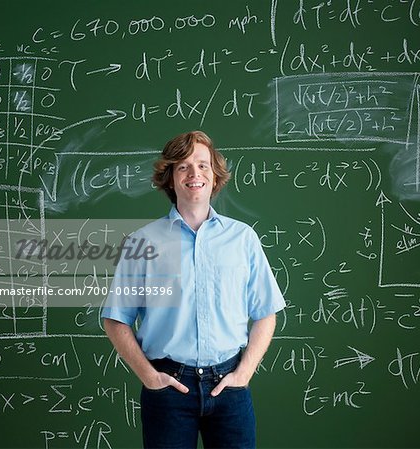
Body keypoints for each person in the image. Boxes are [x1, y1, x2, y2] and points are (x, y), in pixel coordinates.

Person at [102, 130, 286, 449]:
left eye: (202, 165)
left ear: (214, 176)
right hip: (168, 389)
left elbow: (266, 313)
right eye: (183, 166)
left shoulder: (243, 239)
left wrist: (243, 373)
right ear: (170, 178)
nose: (194, 174)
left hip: (230, 387)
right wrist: (149, 377)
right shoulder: (142, 243)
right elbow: (116, 319)